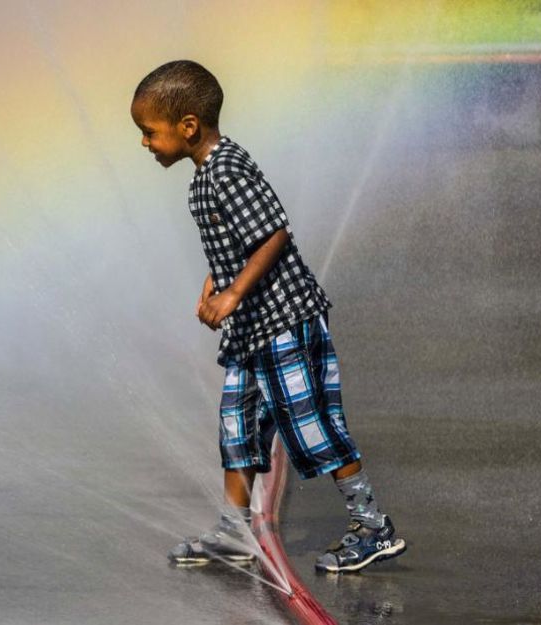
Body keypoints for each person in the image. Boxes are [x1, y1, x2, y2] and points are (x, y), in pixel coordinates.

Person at [129, 60, 406, 573]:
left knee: (310, 424)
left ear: (188, 126)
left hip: (282, 319)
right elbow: (237, 242)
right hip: (251, 330)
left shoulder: (227, 170)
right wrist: (217, 282)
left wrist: (233, 292)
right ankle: (236, 531)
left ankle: (372, 525)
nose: (145, 143)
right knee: (236, 427)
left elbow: (274, 233)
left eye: (149, 132)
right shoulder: (204, 178)